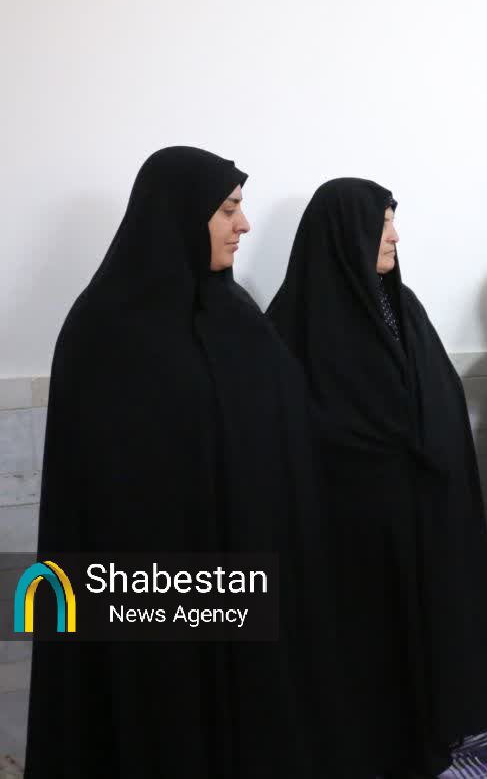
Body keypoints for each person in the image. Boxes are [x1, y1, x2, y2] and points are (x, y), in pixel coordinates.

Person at [26, 147, 342, 777]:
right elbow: (96, 486)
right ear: (177, 215)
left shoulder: (239, 316)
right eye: (227, 209)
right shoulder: (104, 328)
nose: (243, 225)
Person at [267, 178, 487, 778]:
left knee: (420, 637)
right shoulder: (295, 322)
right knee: (363, 648)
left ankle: (422, 738)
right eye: (382, 224)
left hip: (417, 517)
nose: (395, 236)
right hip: (345, 535)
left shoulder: (403, 307)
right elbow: (289, 430)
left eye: (393, 221)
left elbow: (438, 397)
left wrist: (422, 449)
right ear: (345, 234)